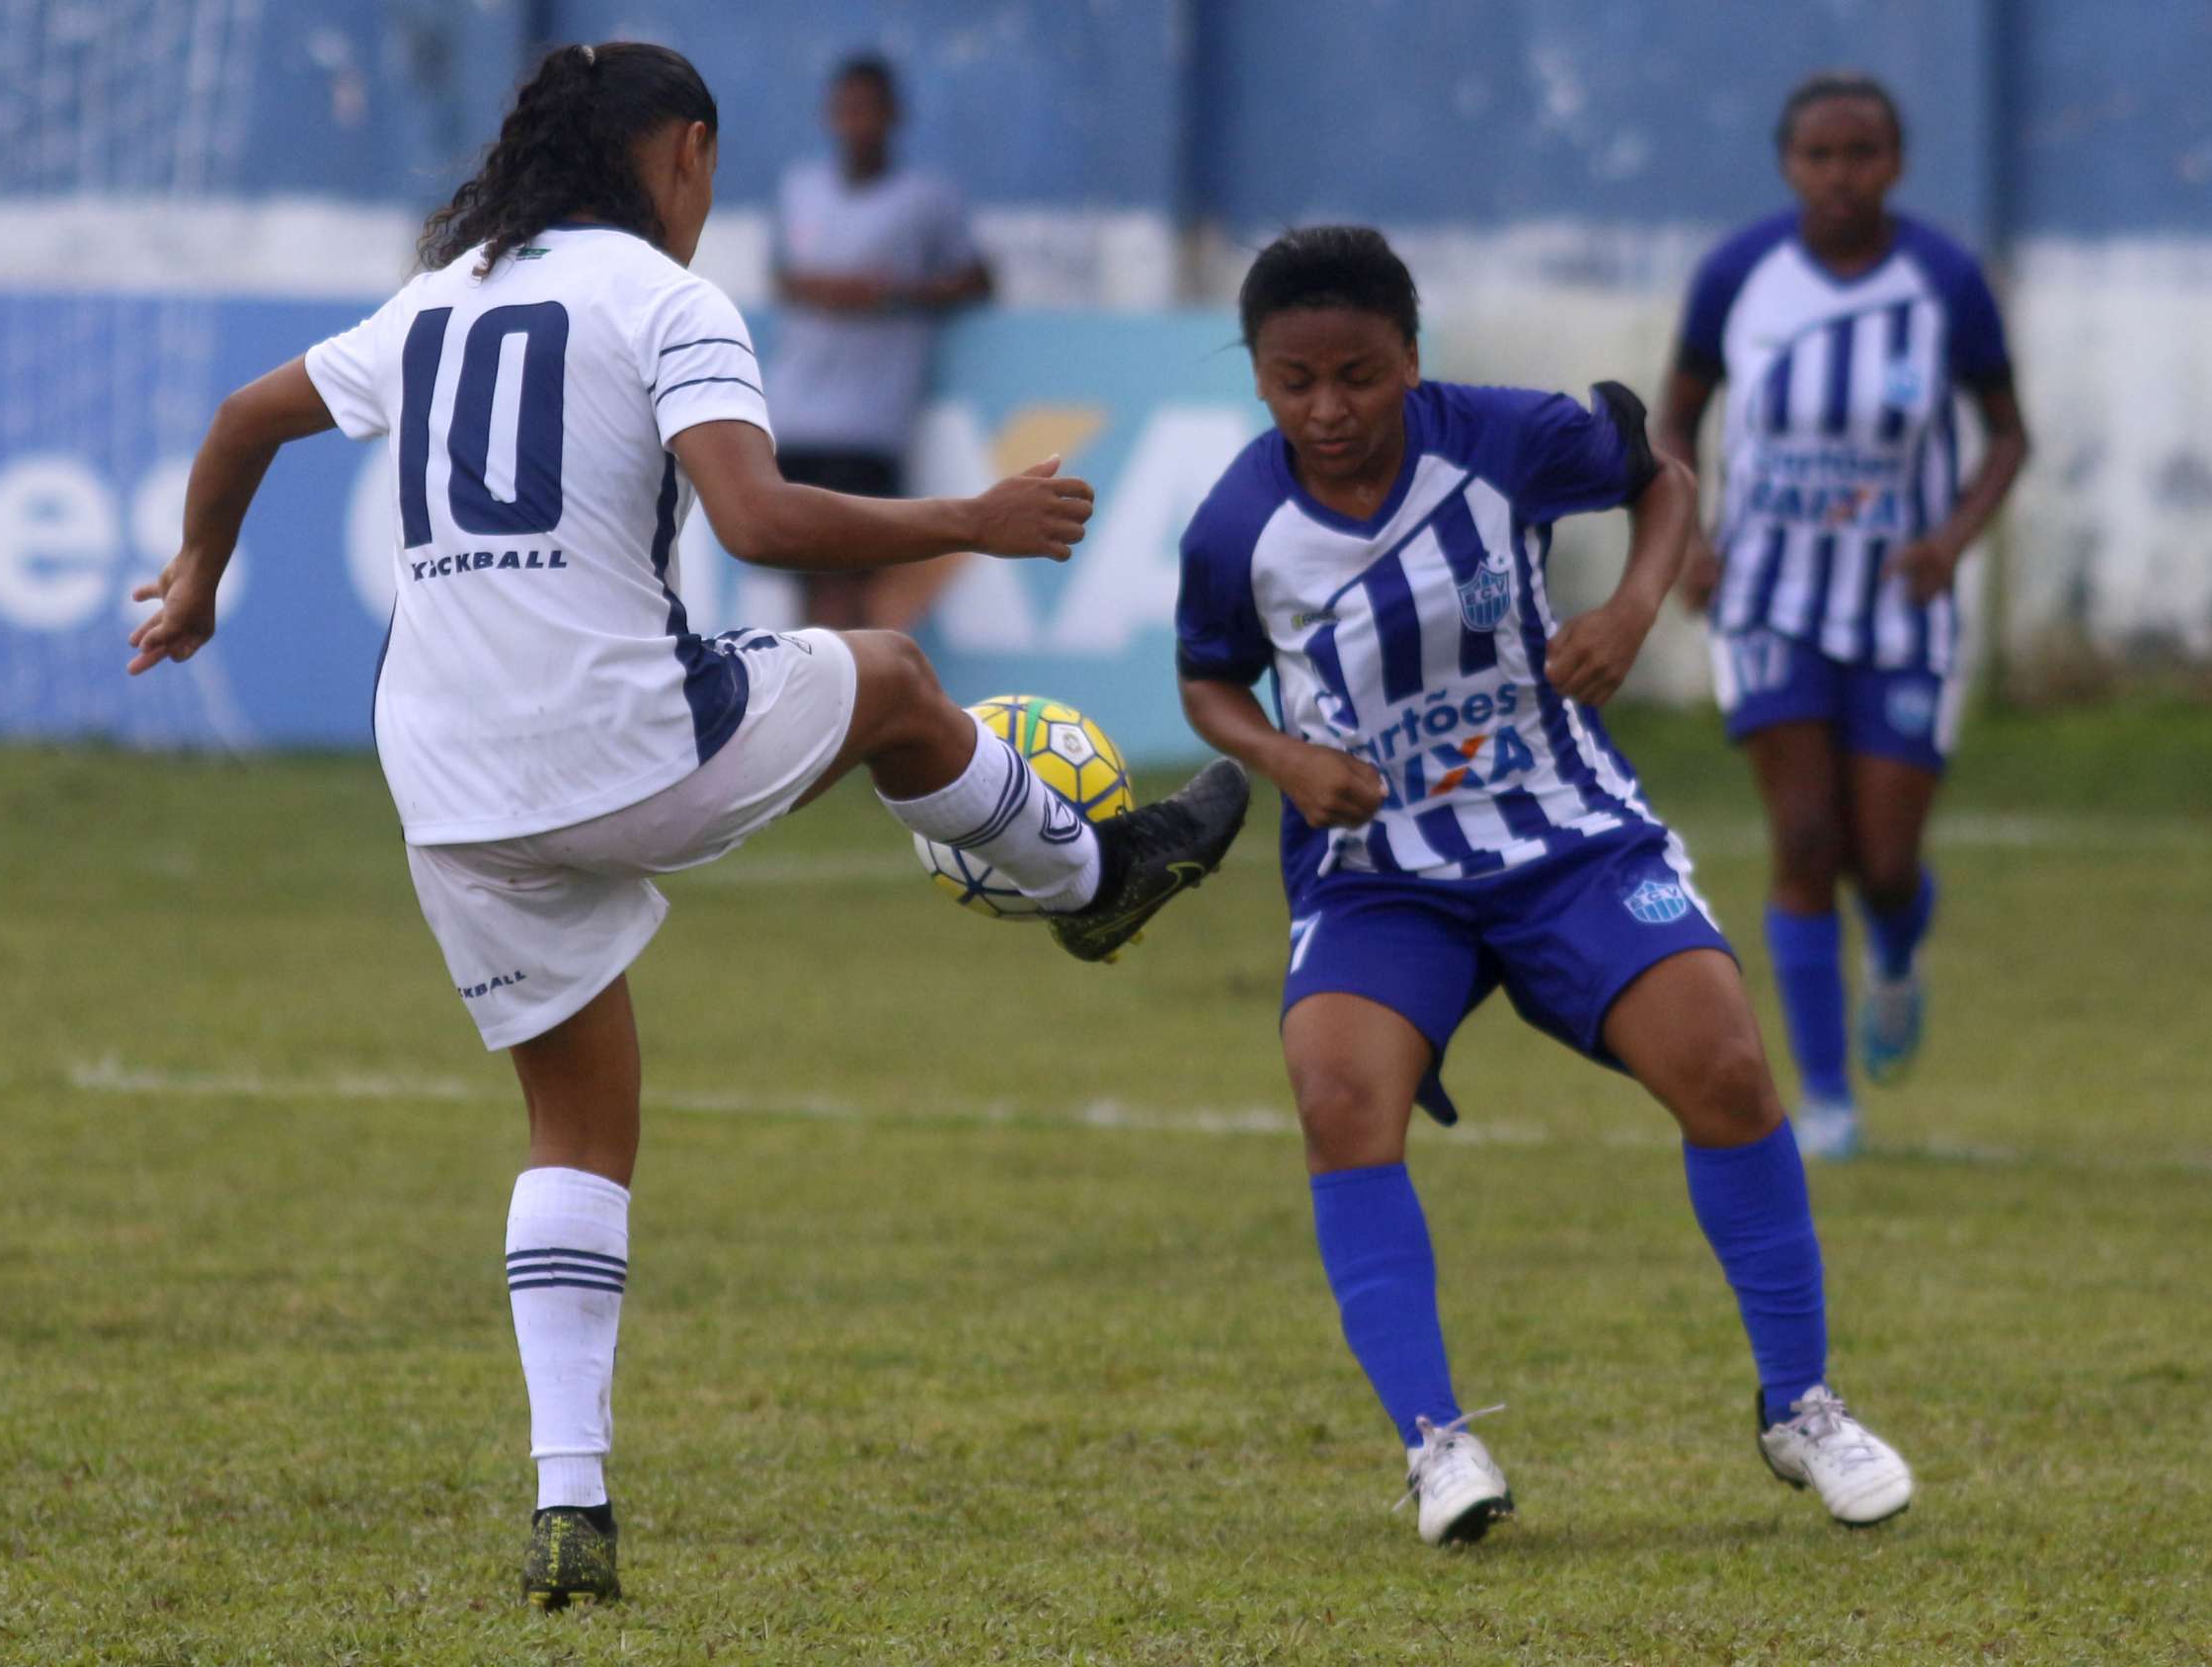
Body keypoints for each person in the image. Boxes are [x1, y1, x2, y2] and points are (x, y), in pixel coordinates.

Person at [125, 40, 1248, 1609]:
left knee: (575, 1130)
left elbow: (248, 415)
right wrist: (970, 520)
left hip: (449, 786)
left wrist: (198, 578)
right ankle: (1093, 872)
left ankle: (568, 1508)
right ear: (688, 153)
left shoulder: (440, 292)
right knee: (898, 676)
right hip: (622, 738)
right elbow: (762, 520)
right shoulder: (665, 297)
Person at [1175, 226, 1913, 1547]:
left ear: (1412, 359)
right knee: (1339, 1097)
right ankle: (1435, 1444)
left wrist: (1633, 606)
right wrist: (1283, 755)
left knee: (1730, 1069)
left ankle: (1801, 1405)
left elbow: (1664, 477)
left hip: (1566, 834)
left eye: (1360, 374)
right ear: (1259, 376)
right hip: (1379, 872)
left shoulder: (1507, 438)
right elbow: (1208, 682)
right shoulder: (1238, 522)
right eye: (1295, 382)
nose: (1330, 408)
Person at [1658, 72, 2030, 1160]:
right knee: (1806, 838)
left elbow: (2008, 434)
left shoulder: (1944, 280)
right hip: (1768, 596)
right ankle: (1825, 1099)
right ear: (1787, 165)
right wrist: (1689, 537)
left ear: (1896, 164)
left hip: (1899, 603)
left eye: (1860, 153)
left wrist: (1949, 541)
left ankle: (1900, 946)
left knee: (1882, 859)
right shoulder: (1740, 274)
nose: (1839, 175)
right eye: (1818, 155)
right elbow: (1676, 415)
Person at [767, 53, 993, 632]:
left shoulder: (926, 200)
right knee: (805, 581)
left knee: (849, 586)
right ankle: (819, 709)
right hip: (792, 417)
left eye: (869, 109)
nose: (857, 123)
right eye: (847, 110)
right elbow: (784, 275)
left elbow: (977, 279)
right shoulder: (800, 187)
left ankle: (843, 711)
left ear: (893, 116)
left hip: (867, 426)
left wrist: (892, 294)